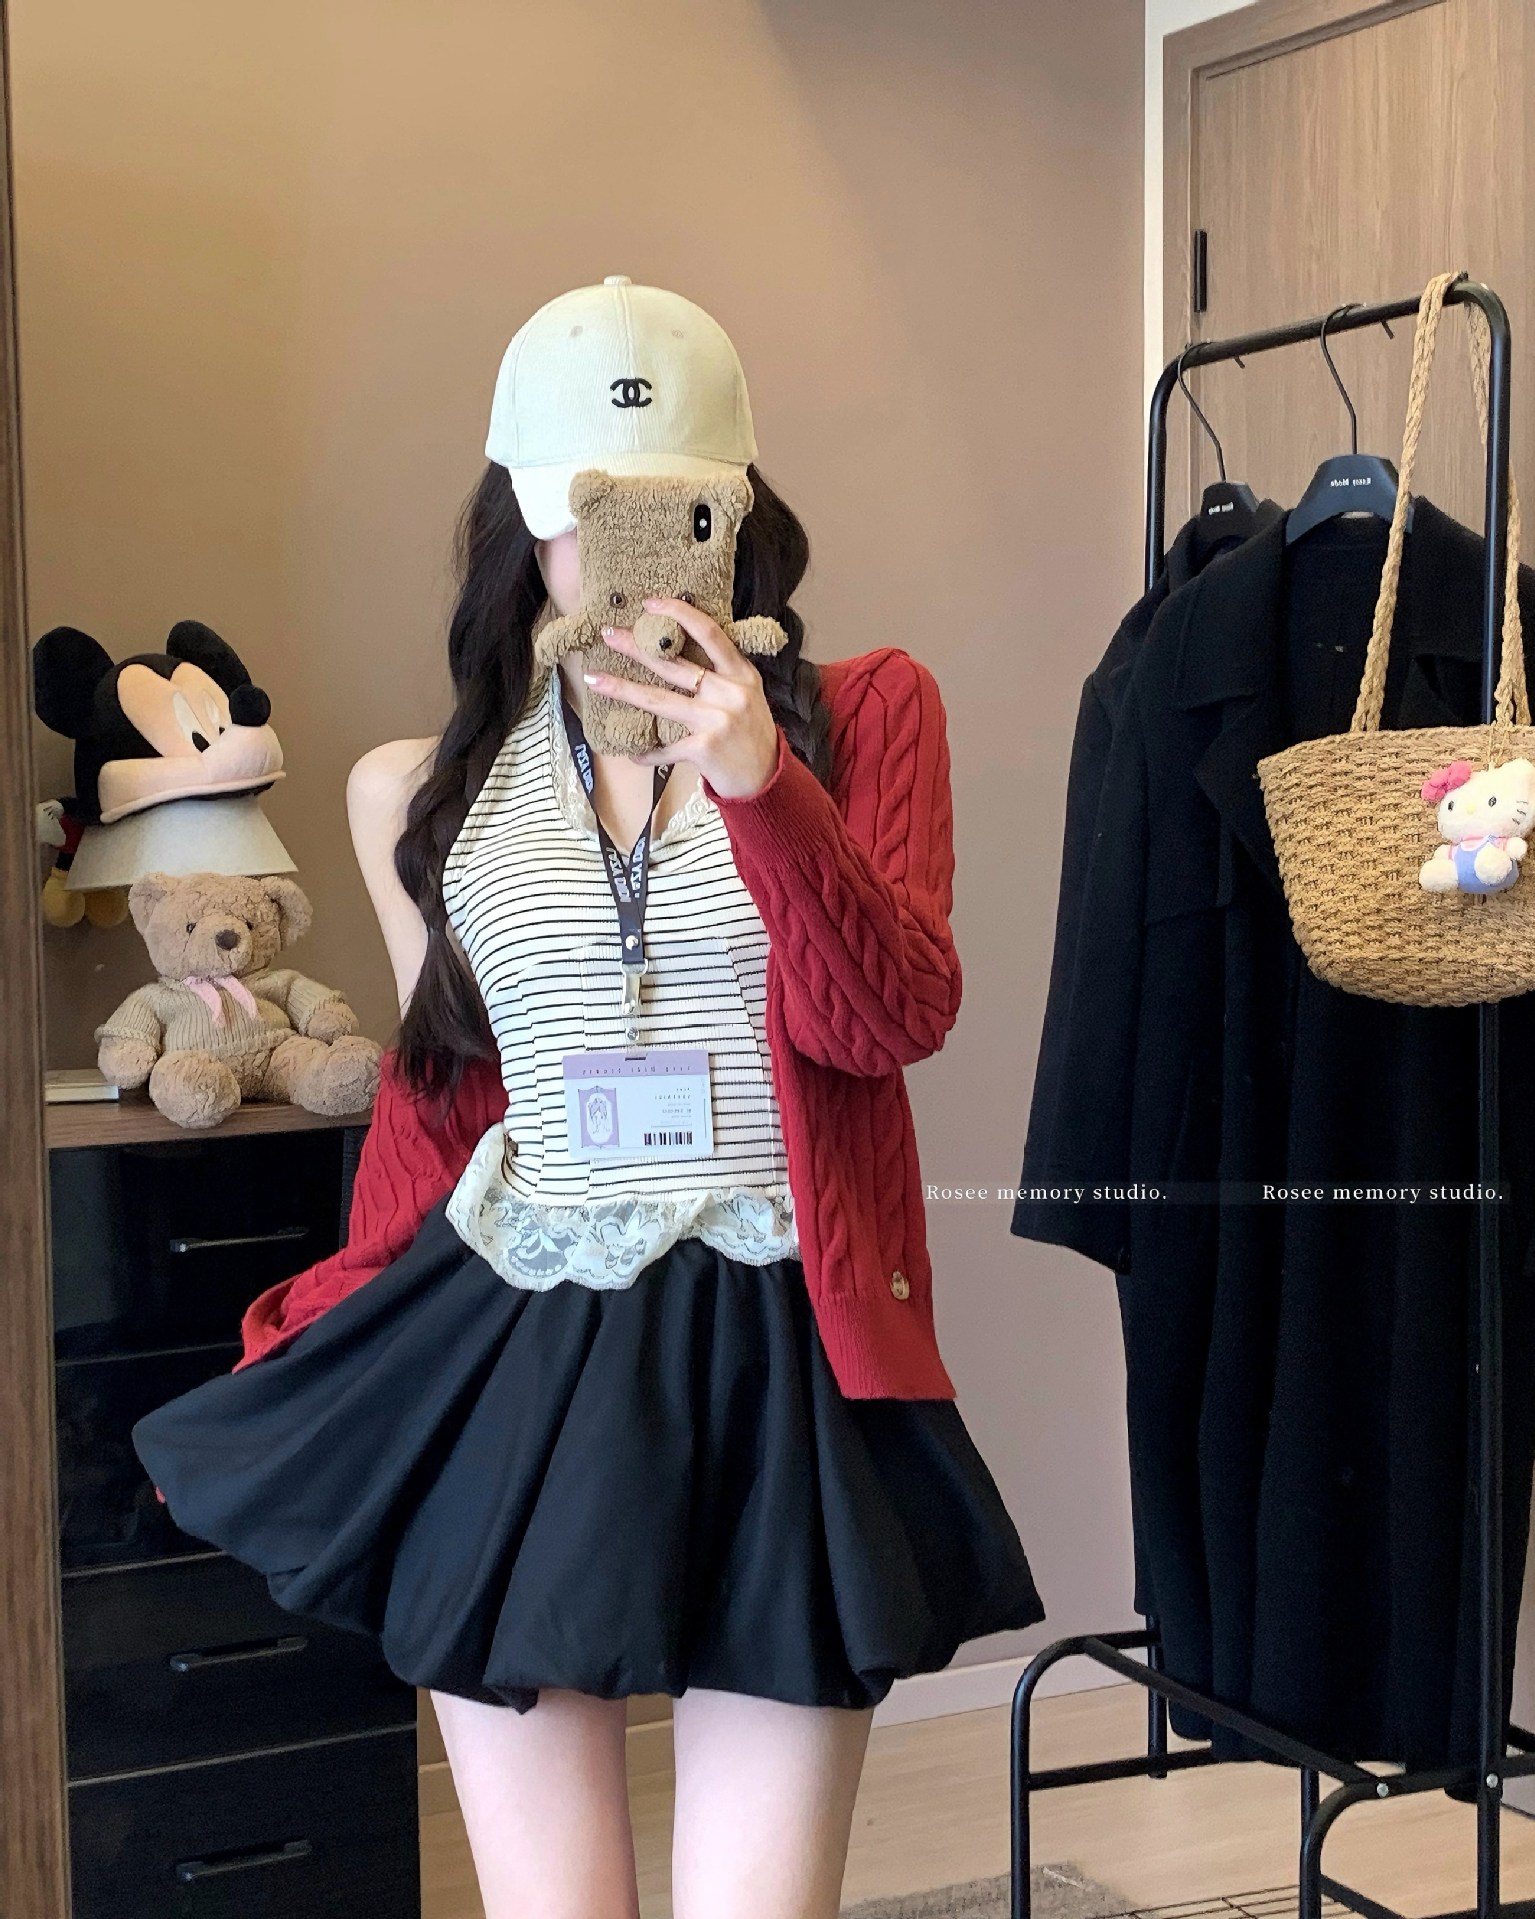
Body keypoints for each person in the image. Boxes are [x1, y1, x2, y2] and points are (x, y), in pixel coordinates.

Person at [132, 275, 1044, 1919]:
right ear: (521, 524)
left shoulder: (863, 714)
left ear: (738, 509)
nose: (619, 559)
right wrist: (333, 1345)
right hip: (514, 1344)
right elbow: (438, 1108)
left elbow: (886, 1022)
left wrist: (762, 784)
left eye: (671, 512)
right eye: (579, 517)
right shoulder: (422, 789)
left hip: (779, 1347)